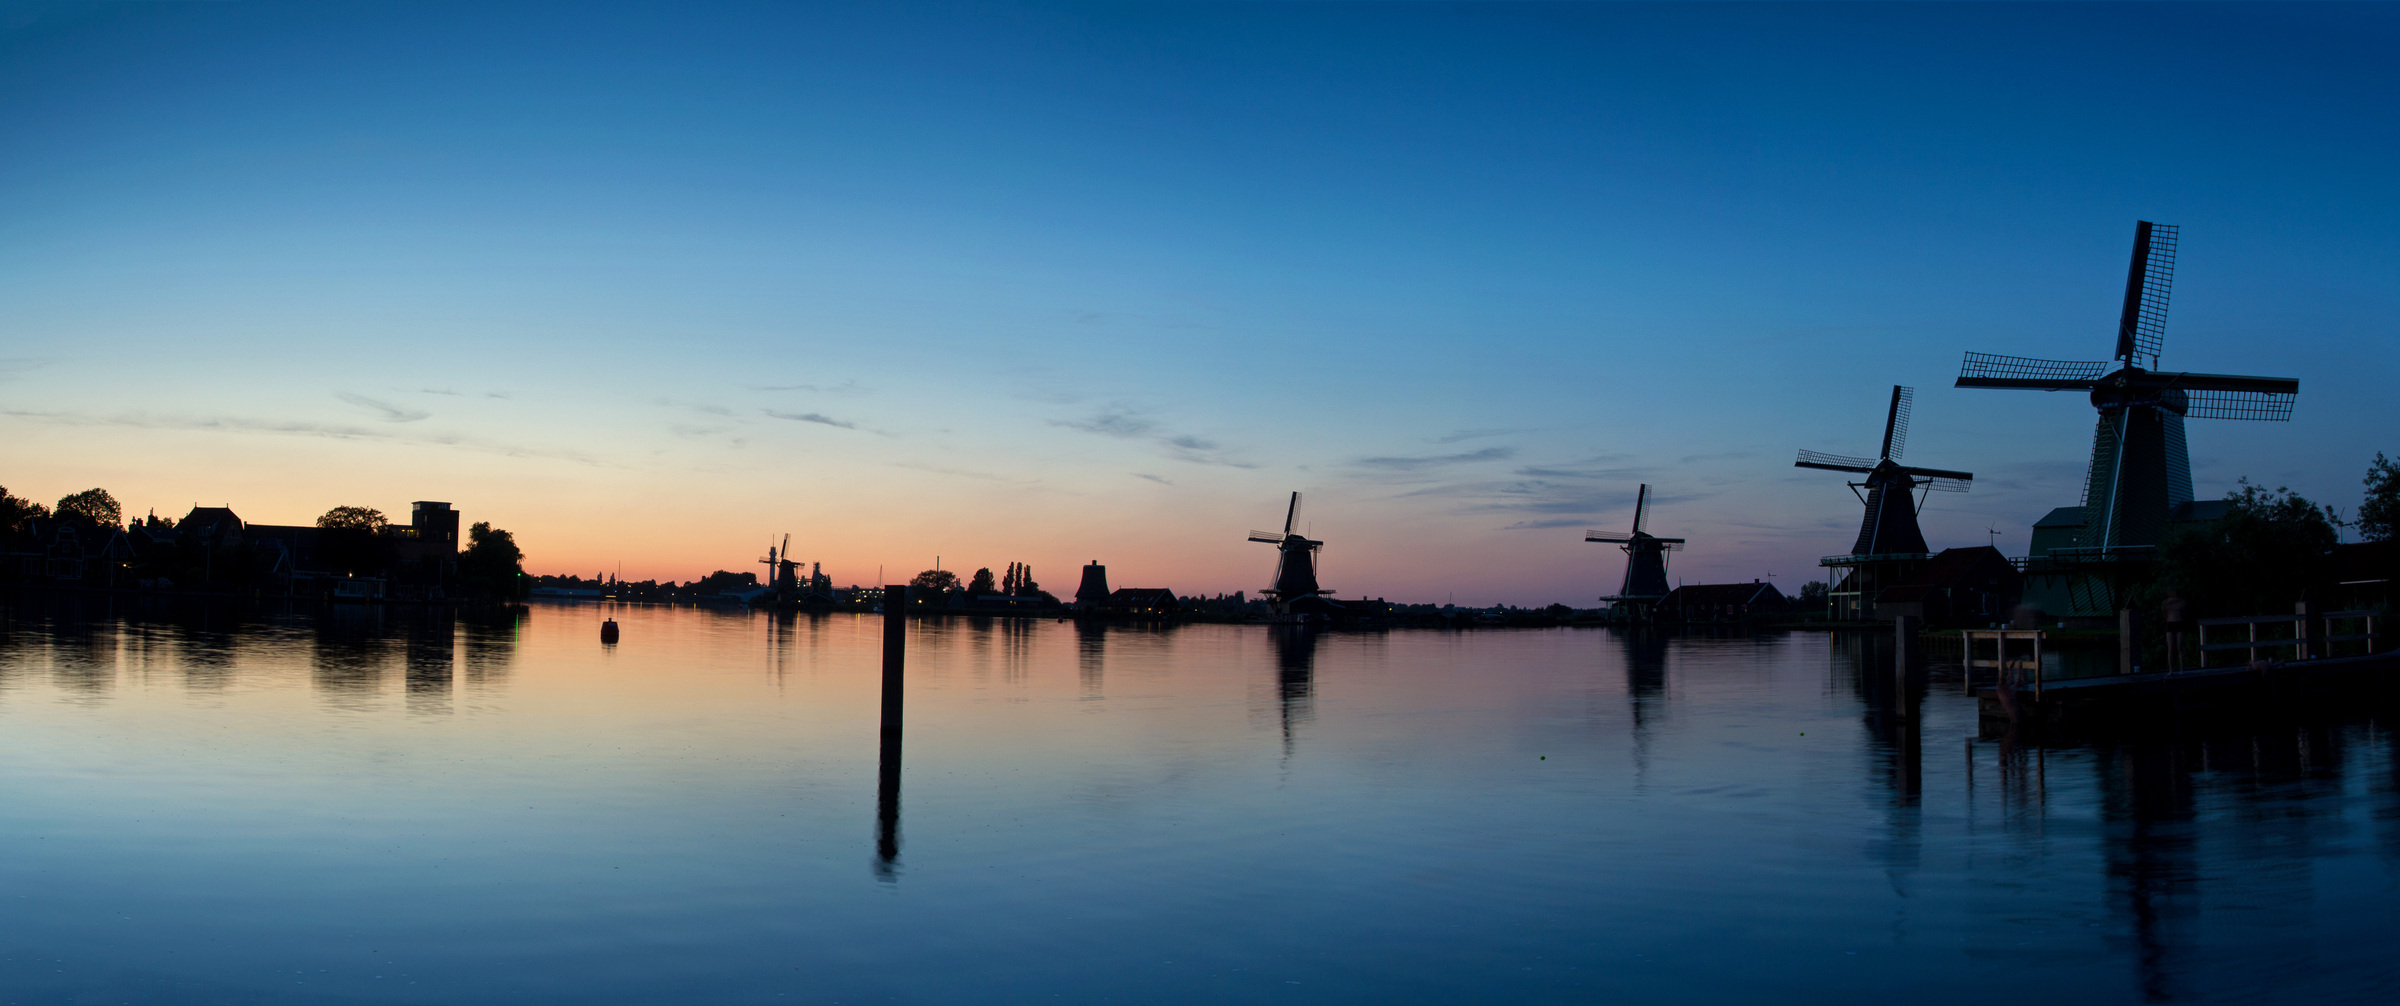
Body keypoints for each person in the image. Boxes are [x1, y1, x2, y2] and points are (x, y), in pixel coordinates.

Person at [2161, 590, 2189, 672]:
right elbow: (2163, 607)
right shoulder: (2167, 602)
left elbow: (2183, 607)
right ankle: (2171, 670)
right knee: (2170, 648)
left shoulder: (2181, 602)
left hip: (2179, 623)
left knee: (2179, 647)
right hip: (2170, 624)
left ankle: (2182, 668)